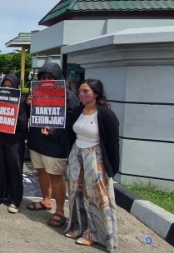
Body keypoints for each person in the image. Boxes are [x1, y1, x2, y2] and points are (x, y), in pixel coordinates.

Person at [60, 79, 120, 250]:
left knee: (95, 197)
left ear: (96, 93)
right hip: (76, 154)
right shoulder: (79, 110)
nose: (81, 94)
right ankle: (78, 227)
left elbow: (113, 144)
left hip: (95, 157)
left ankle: (96, 234)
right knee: (75, 193)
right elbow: (70, 132)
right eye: (80, 91)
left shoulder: (106, 115)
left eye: (86, 91)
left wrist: (112, 168)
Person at [26, 63, 79, 227]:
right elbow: (32, 116)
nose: (46, 80)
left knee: (56, 176)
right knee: (41, 172)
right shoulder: (36, 94)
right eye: (43, 78)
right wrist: (28, 105)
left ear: (58, 78)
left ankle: (60, 211)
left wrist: (54, 131)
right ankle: (46, 201)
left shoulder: (69, 97)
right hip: (37, 141)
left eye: (50, 77)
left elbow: (72, 123)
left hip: (56, 145)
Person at [0, 74, 28, 213]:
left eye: (10, 86)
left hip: (14, 140)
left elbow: (23, 123)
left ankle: (14, 200)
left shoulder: (22, 100)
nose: (6, 88)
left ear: (15, 87)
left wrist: (10, 117)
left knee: (14, 168)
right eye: (4, 85)